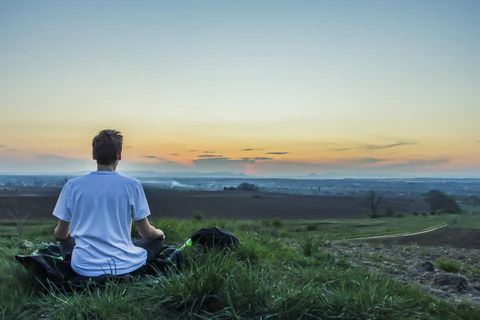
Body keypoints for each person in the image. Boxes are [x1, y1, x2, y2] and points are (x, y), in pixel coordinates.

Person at [52, 129, 165, 277]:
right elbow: (146, 233)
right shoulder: (132, 185)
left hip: (84, 267)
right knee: (156, 242)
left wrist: (70, 235)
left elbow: (60, 234)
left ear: (94, 155)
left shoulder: (72, 186)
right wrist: (160, 233)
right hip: (124, 265)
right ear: (119, 155)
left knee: (66, 240)